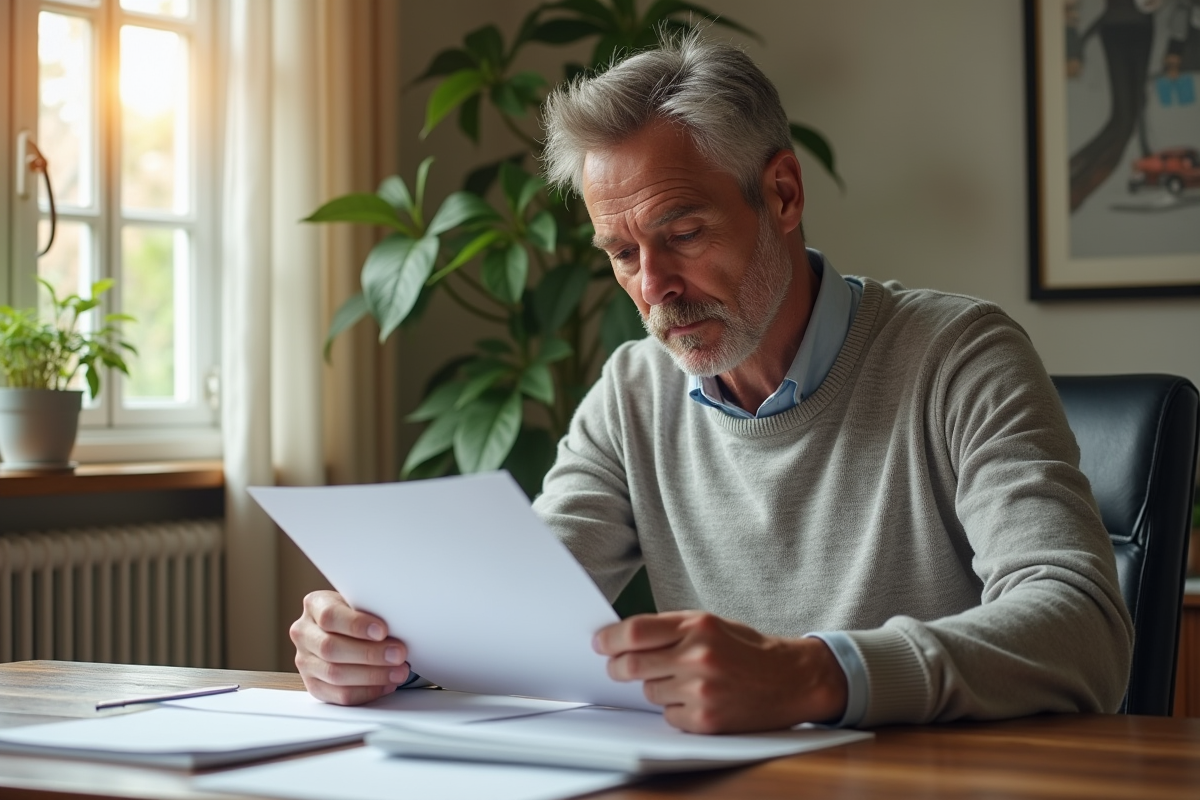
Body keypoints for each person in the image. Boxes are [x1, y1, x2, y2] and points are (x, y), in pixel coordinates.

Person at [290, 32, 1133, 734]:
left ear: (783, 192)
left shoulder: (960, 356)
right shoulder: (631, 394)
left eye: (682, 232)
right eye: (623, 254)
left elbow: (1082, 626)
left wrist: (814, 674)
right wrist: (384, 651)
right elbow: (513, 612)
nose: (653, 286)